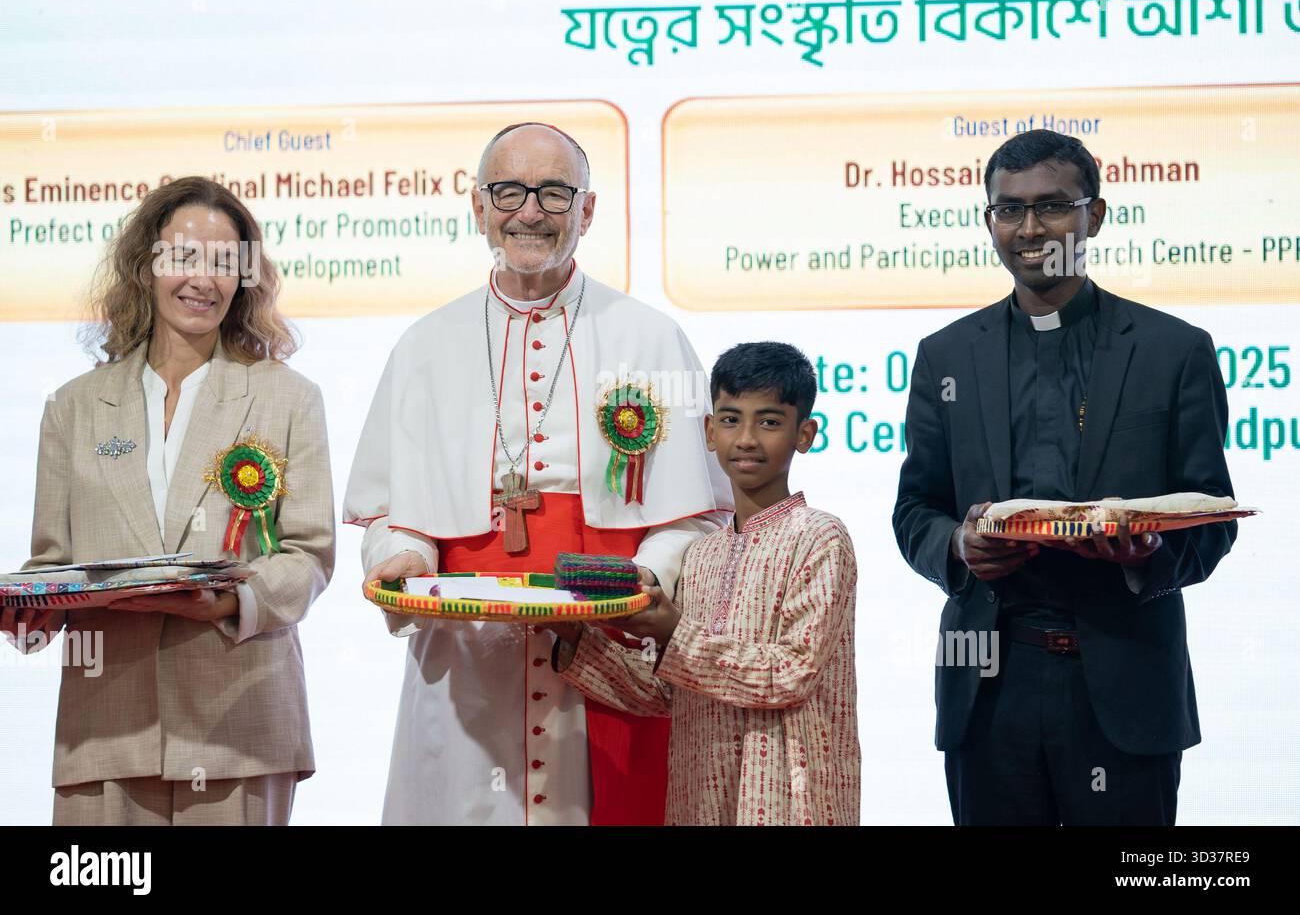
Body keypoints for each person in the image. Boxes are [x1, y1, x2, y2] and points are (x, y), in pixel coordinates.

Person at [343, 122, 731, 826]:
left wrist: (647, 575)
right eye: (509, 191)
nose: (529, 211)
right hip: (469, 657)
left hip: (610, 655)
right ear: (478, 206)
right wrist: (402, 560)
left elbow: (699, 512)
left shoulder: (651, 336)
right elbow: (389, 513)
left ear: (586, 210)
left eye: (554, 193)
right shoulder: (426, 346)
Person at [892, 129, 1238, 825]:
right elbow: (916, 510)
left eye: (1051, 206)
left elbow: (1214, 516)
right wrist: (960, 546)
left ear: (1095, 216)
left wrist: (1150, 554)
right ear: (988, 219)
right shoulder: (945, 356)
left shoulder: (1174, 352)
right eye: (1008, 209)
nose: (1029, 229)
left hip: (1124, 680)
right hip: (989, 684)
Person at [1, 176, 335, 825]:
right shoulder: (71, 407)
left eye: (223, 263)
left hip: (241, 727)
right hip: (104, 731)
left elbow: (309, 555)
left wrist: (232, 599)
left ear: (245, 278)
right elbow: (51, 562)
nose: (202, 279)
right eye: (183, 257)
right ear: (145, 266)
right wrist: (29, 613)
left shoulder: (289, 398)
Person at [551, 342, 860, 825]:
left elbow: (791, 673)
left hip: (789, 803)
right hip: (700, 802)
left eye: (770, 421)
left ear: (806, 434)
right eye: (732, 420)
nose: (748, 439)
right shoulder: (700, 555)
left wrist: (675, 631)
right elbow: (663, 690)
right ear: (710, 432)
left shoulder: (820, 538)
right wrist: (573, 635)